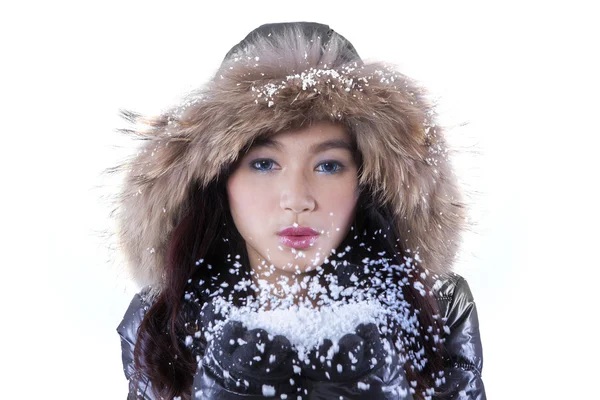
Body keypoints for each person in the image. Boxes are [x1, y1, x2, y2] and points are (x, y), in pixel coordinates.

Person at [114, 22, 486, 400]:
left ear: (367, 183)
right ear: (219, 180)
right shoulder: (165, 318)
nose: (297, 199)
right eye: (263, 164)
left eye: (328, 165)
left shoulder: (436, 307)